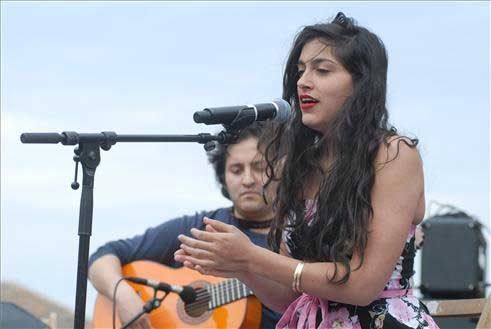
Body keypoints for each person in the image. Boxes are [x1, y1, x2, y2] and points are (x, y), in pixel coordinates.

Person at [175, 12, 439, 328]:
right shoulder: (304, 165)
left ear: (361, 84)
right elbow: (289, 295)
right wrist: (240, 267)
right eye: (300, 71)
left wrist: (251, 257)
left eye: (322, 70)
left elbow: (363, 285)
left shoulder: (394, 154)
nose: (303, 82)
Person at [88, 122, 281, 329]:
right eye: (236, 170)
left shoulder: (298, 236)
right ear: (223, 178)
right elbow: (103, 257)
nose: (248, 180)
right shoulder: (200, 227)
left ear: (280, 170)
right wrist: (123, 294)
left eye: (259, 167)